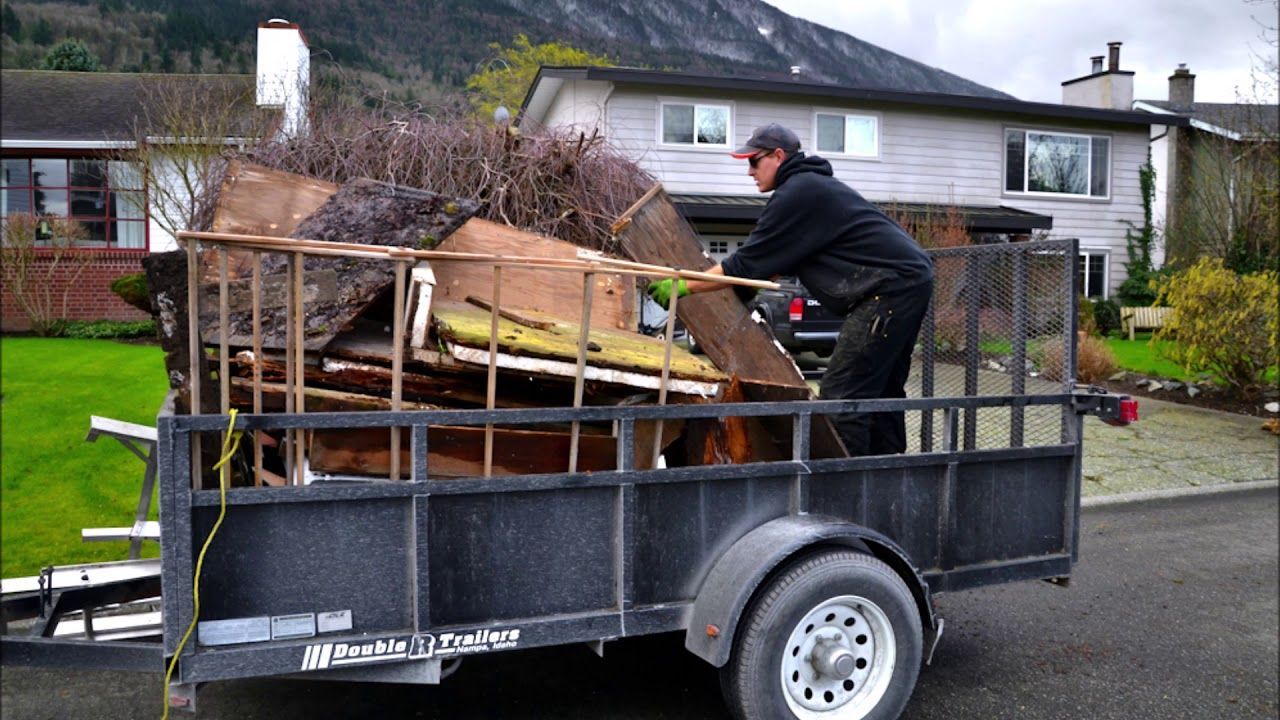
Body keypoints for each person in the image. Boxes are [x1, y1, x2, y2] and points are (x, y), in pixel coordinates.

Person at [647, 123, 933, 456]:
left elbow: (744, 263)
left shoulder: (798, 192)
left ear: (778, 156)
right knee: (880, 392)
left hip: (890, 288)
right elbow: (767, 264)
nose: (750, 171)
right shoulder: (811, 189)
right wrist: (741, 296)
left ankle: (846, 488)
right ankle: (890, 477)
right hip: (908, 279)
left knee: (843, 395)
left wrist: (682, 285)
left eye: (754, 161)